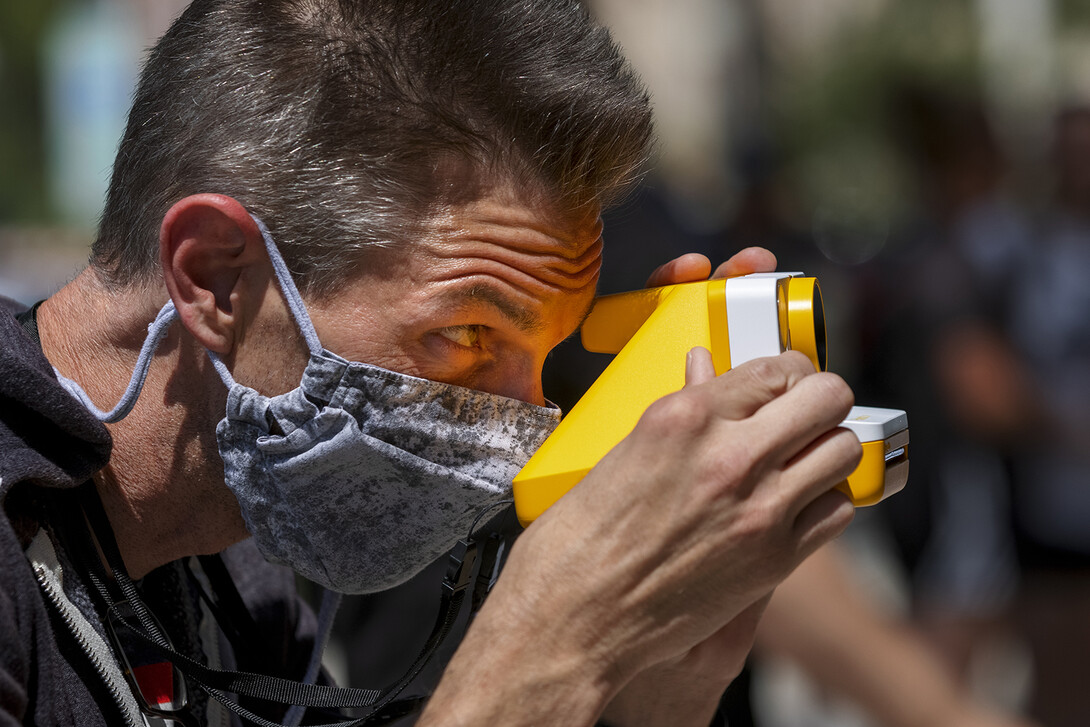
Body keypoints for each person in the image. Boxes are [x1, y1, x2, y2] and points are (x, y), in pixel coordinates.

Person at [0, 1, 862, 725]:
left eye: (542, 361)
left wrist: (656, 675)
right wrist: (546, 649)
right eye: (466, 338)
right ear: (215, 277)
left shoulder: (234, 578)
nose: (521, 436)